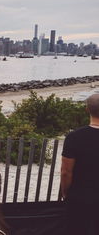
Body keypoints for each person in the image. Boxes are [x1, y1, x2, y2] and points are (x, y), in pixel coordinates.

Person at [61, 93, 99, 235]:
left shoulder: (74, 137)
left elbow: (66, 171)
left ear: (87, 110)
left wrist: (65, 192)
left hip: (79, 196)